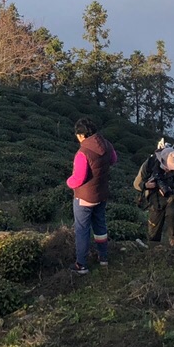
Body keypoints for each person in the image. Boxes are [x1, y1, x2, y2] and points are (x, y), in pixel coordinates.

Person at [65, 117, 118, 274]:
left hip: (85, 197)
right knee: (100, 226)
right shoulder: (106, 144)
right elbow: (114, 159)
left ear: (82, 135)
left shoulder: (83, 152)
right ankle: (103, 257)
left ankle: (81, 264)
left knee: (82, 230)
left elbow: (79, 178)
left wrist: (69, 182)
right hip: (101, 194)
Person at [134, 138, 174, 247]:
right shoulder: (149, 164)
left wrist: (171, 191)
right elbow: (136, 183)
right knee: (153, 231)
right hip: (154, 199)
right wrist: (146, 185)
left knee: (172, 213)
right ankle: (154, 248)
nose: (170, 169)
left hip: (172, 198)